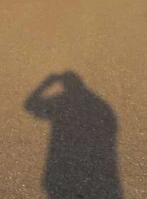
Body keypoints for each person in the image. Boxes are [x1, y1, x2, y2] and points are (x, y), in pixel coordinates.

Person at [25, 71, 122, 199]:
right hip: (95, 171)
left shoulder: (61, 101)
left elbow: (30, 104)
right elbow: (111, 134)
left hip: (62, 169)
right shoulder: (102, 106)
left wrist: (46, 84)